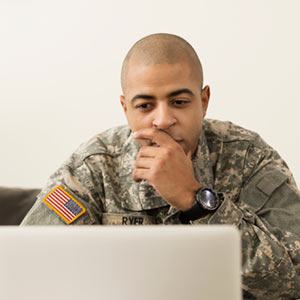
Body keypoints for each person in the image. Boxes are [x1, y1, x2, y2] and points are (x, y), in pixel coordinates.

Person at [21, 33, 300, 299]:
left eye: (179, 102)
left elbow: (293, 282)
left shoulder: (249, 158)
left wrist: (196, 200)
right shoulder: (94, 167)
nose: (163, 120)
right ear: (125, 108)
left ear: (203, 102)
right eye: (145, 106)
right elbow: (26, 271)